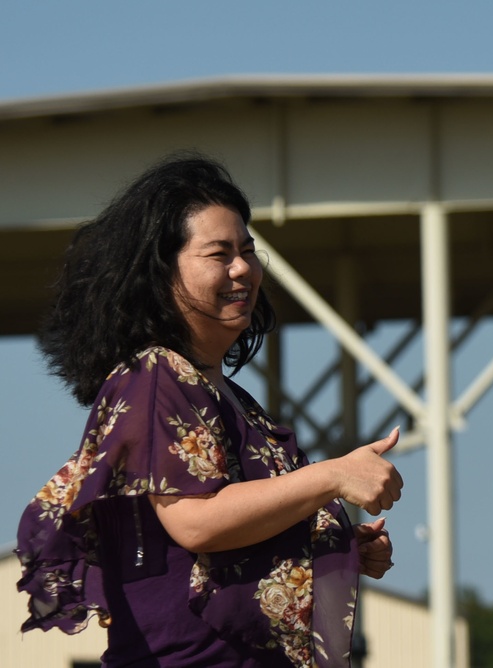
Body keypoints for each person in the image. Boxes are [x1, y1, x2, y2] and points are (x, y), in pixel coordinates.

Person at [15, 154, 404, 667]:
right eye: (219, 253)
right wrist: (332, 476)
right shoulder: (154, 376)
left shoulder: (230, 398)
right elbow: (195, 522)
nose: (243, 267)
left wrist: (332, 543)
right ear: (160, 272)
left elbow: (225, 533)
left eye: (248, 250)